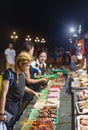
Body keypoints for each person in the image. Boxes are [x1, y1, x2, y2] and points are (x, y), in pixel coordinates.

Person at [0, 51, 41, 130]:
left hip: (18, 105)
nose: (28, 68)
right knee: (7, 126)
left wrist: (34, 92)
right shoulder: (9, 74)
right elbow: (3, 94)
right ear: (20, 64)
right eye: (27, 66)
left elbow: (22, 87)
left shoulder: (22, 73)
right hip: (9, 107)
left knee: (15, 125)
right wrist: (2, 113)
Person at [22, 42, 48, 110]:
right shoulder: (25, 61)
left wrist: (36, 70)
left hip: (32, 88)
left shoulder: (28, 60)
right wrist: (41, 79)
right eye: (32, 50)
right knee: (24, 106)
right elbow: (28, 80)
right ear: (29, 50)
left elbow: (32, 70)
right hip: (27, 88)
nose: (33, 52)